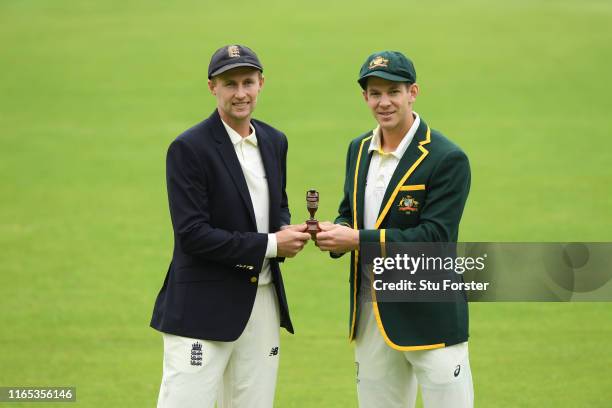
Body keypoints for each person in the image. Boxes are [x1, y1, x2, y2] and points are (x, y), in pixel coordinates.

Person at [150, 44, 311, 408]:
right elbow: (192, 235)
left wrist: (288, 232)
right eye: (230, 84)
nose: (240, 93)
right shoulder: (188, 148)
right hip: (201, 310)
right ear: (213, 87)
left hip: (262, 303)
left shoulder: (274, 140)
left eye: (248, 82)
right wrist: (272, 245)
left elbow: (277, 205)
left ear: (261, 83)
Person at [316, 50, 473, 408]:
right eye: (375, 93)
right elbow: (350, 214)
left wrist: (355, 239)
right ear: (365, 97)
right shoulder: (358, 149)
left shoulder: (447, 158)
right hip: (372, 315)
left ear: (412, 92)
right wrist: (335, 234)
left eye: (393, 92)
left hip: (430, 315)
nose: (383, 102)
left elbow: (435, 238)